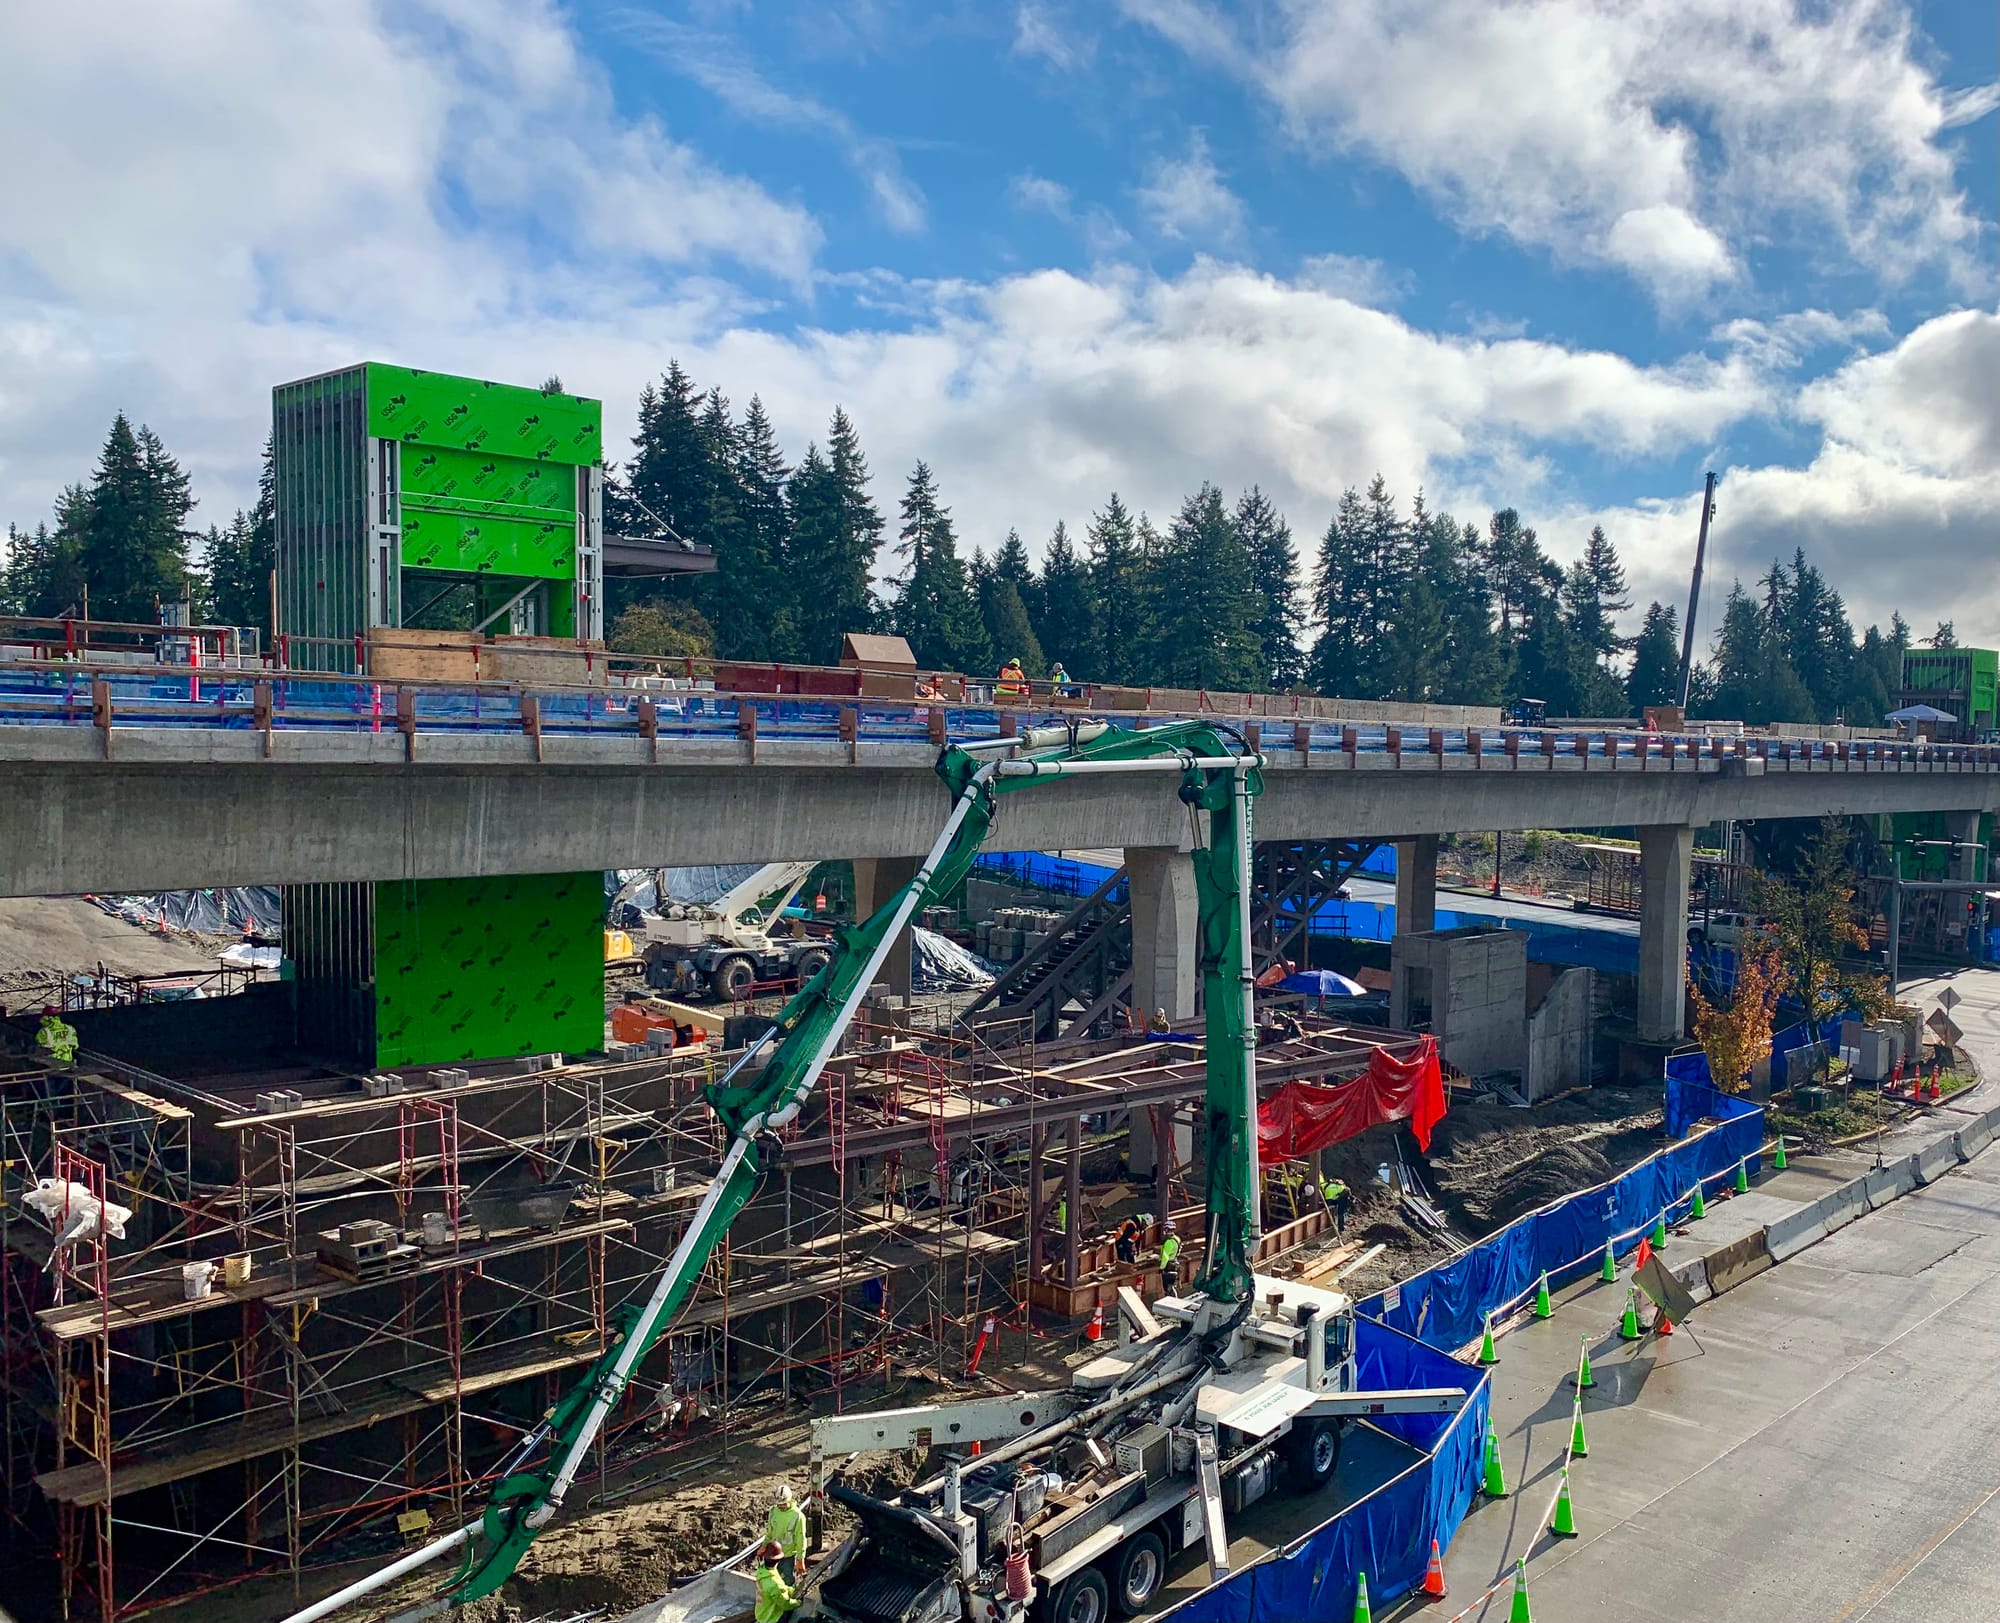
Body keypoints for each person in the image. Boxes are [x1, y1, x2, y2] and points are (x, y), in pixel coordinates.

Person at [764, 1486, 807, 1584]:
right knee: (773, 1580)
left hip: (789, 1556)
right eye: (779, 1504)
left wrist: (800, 1559)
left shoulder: (798, 1516)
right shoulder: (773, 1512)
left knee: (788, 1580)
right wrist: (764, 1546)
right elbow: (770, 1532)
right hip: (774, 1554)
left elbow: (801, 1540)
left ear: (790, 1499)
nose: (781, 1506)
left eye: (784, 1504)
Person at [753, 1540, 799, 1623]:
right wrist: (798, 1603)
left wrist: (789, 1590)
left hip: (762, 1613)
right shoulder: (775, 1583)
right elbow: (785, 1603)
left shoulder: (762, 1572)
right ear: (779, 1560)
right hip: (772, 1618)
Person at [1158, 1223, 1181, 1294]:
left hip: (1168, 1266)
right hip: (1175, 1263)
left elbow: (1165, 1257)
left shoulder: (1168, 1242)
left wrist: (1161, 1268)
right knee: (1172, 1286)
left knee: (1167, 1288)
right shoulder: (1177, 1239)